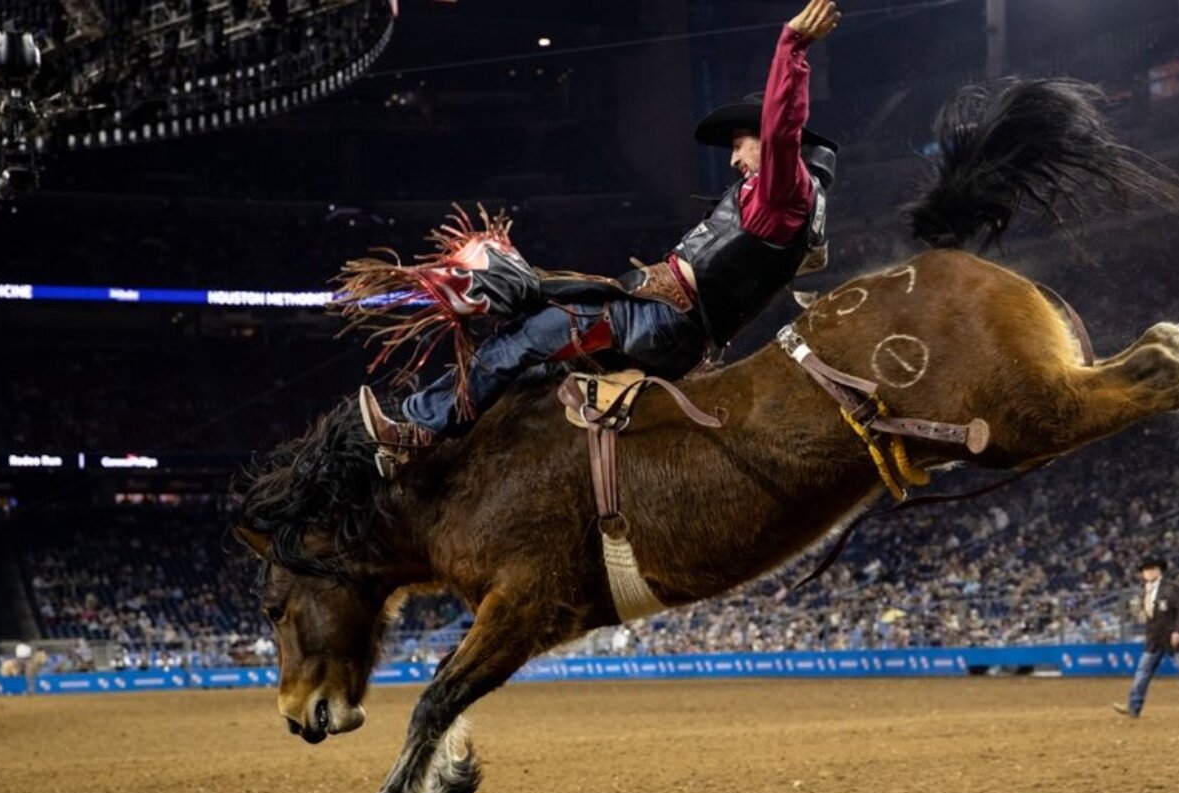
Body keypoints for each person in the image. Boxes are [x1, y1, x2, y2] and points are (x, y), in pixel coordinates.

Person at [358, 0, 842, 471]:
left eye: (739, 144)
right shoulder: (791, 207)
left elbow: (783, 125)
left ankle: (417, 429)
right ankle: (447, 448)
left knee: (524, 338)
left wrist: (792, 45)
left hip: (660, 320)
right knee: (535, 370)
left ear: (768, 140)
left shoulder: (783, 193)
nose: (733, 159)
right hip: (670, 326)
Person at [1113, 556, 1179, 719]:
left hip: (1171, 636)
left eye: (1151, 569)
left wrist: (1178, 631)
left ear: (1159, 570)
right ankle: (1133, 707)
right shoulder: (1145, 591)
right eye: (1145, 570)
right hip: (1154, 639)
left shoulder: (1172, 588)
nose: (1148, 572)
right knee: (1142, 672)